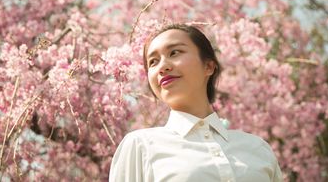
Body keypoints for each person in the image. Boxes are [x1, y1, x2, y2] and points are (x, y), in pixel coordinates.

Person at [109, 24, 283, 182]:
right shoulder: (141, 146)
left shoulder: (258, 148)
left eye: (174, 52)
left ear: (208, 66)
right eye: (153, 62)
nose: (162, 66)